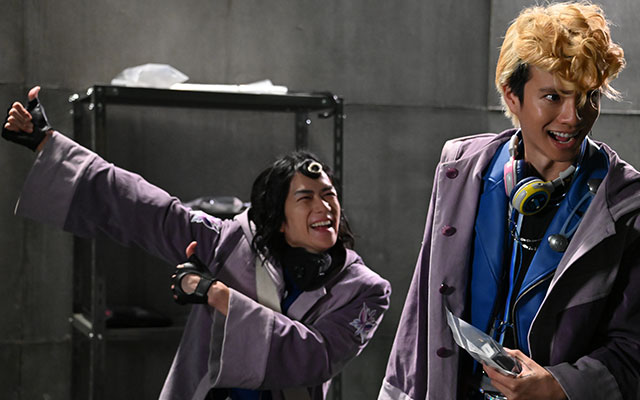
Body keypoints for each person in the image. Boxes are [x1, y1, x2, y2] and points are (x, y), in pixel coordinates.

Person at [3, 87, 391, 400]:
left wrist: (216, 294)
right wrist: (47, 144)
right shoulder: (231, 243)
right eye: (306, 198)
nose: (324, 207)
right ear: (278, 218)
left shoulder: (365, 289)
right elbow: (146, 208)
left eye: (329, 195)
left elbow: (313, 357)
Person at [379, 2, 639, 400]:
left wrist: (559, 387)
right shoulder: (461, 169)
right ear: (511, 96)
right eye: (553, 96)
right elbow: (422, 310)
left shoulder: (628, 206)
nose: (573, 116)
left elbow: (633, 350)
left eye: (588, 96)